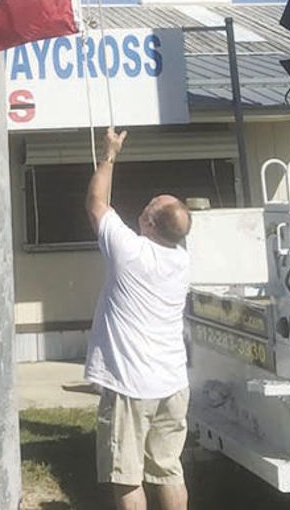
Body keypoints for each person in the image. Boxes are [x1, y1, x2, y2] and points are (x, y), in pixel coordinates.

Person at [83, 125, 193, 510]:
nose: (143, 208)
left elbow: (97, 203)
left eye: (148, 206)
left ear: (147, 224)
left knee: (126, 475)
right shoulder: (181, 260)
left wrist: (109, 154)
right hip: (173, 383)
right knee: (168, 469)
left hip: (131, 385)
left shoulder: (129, 253)